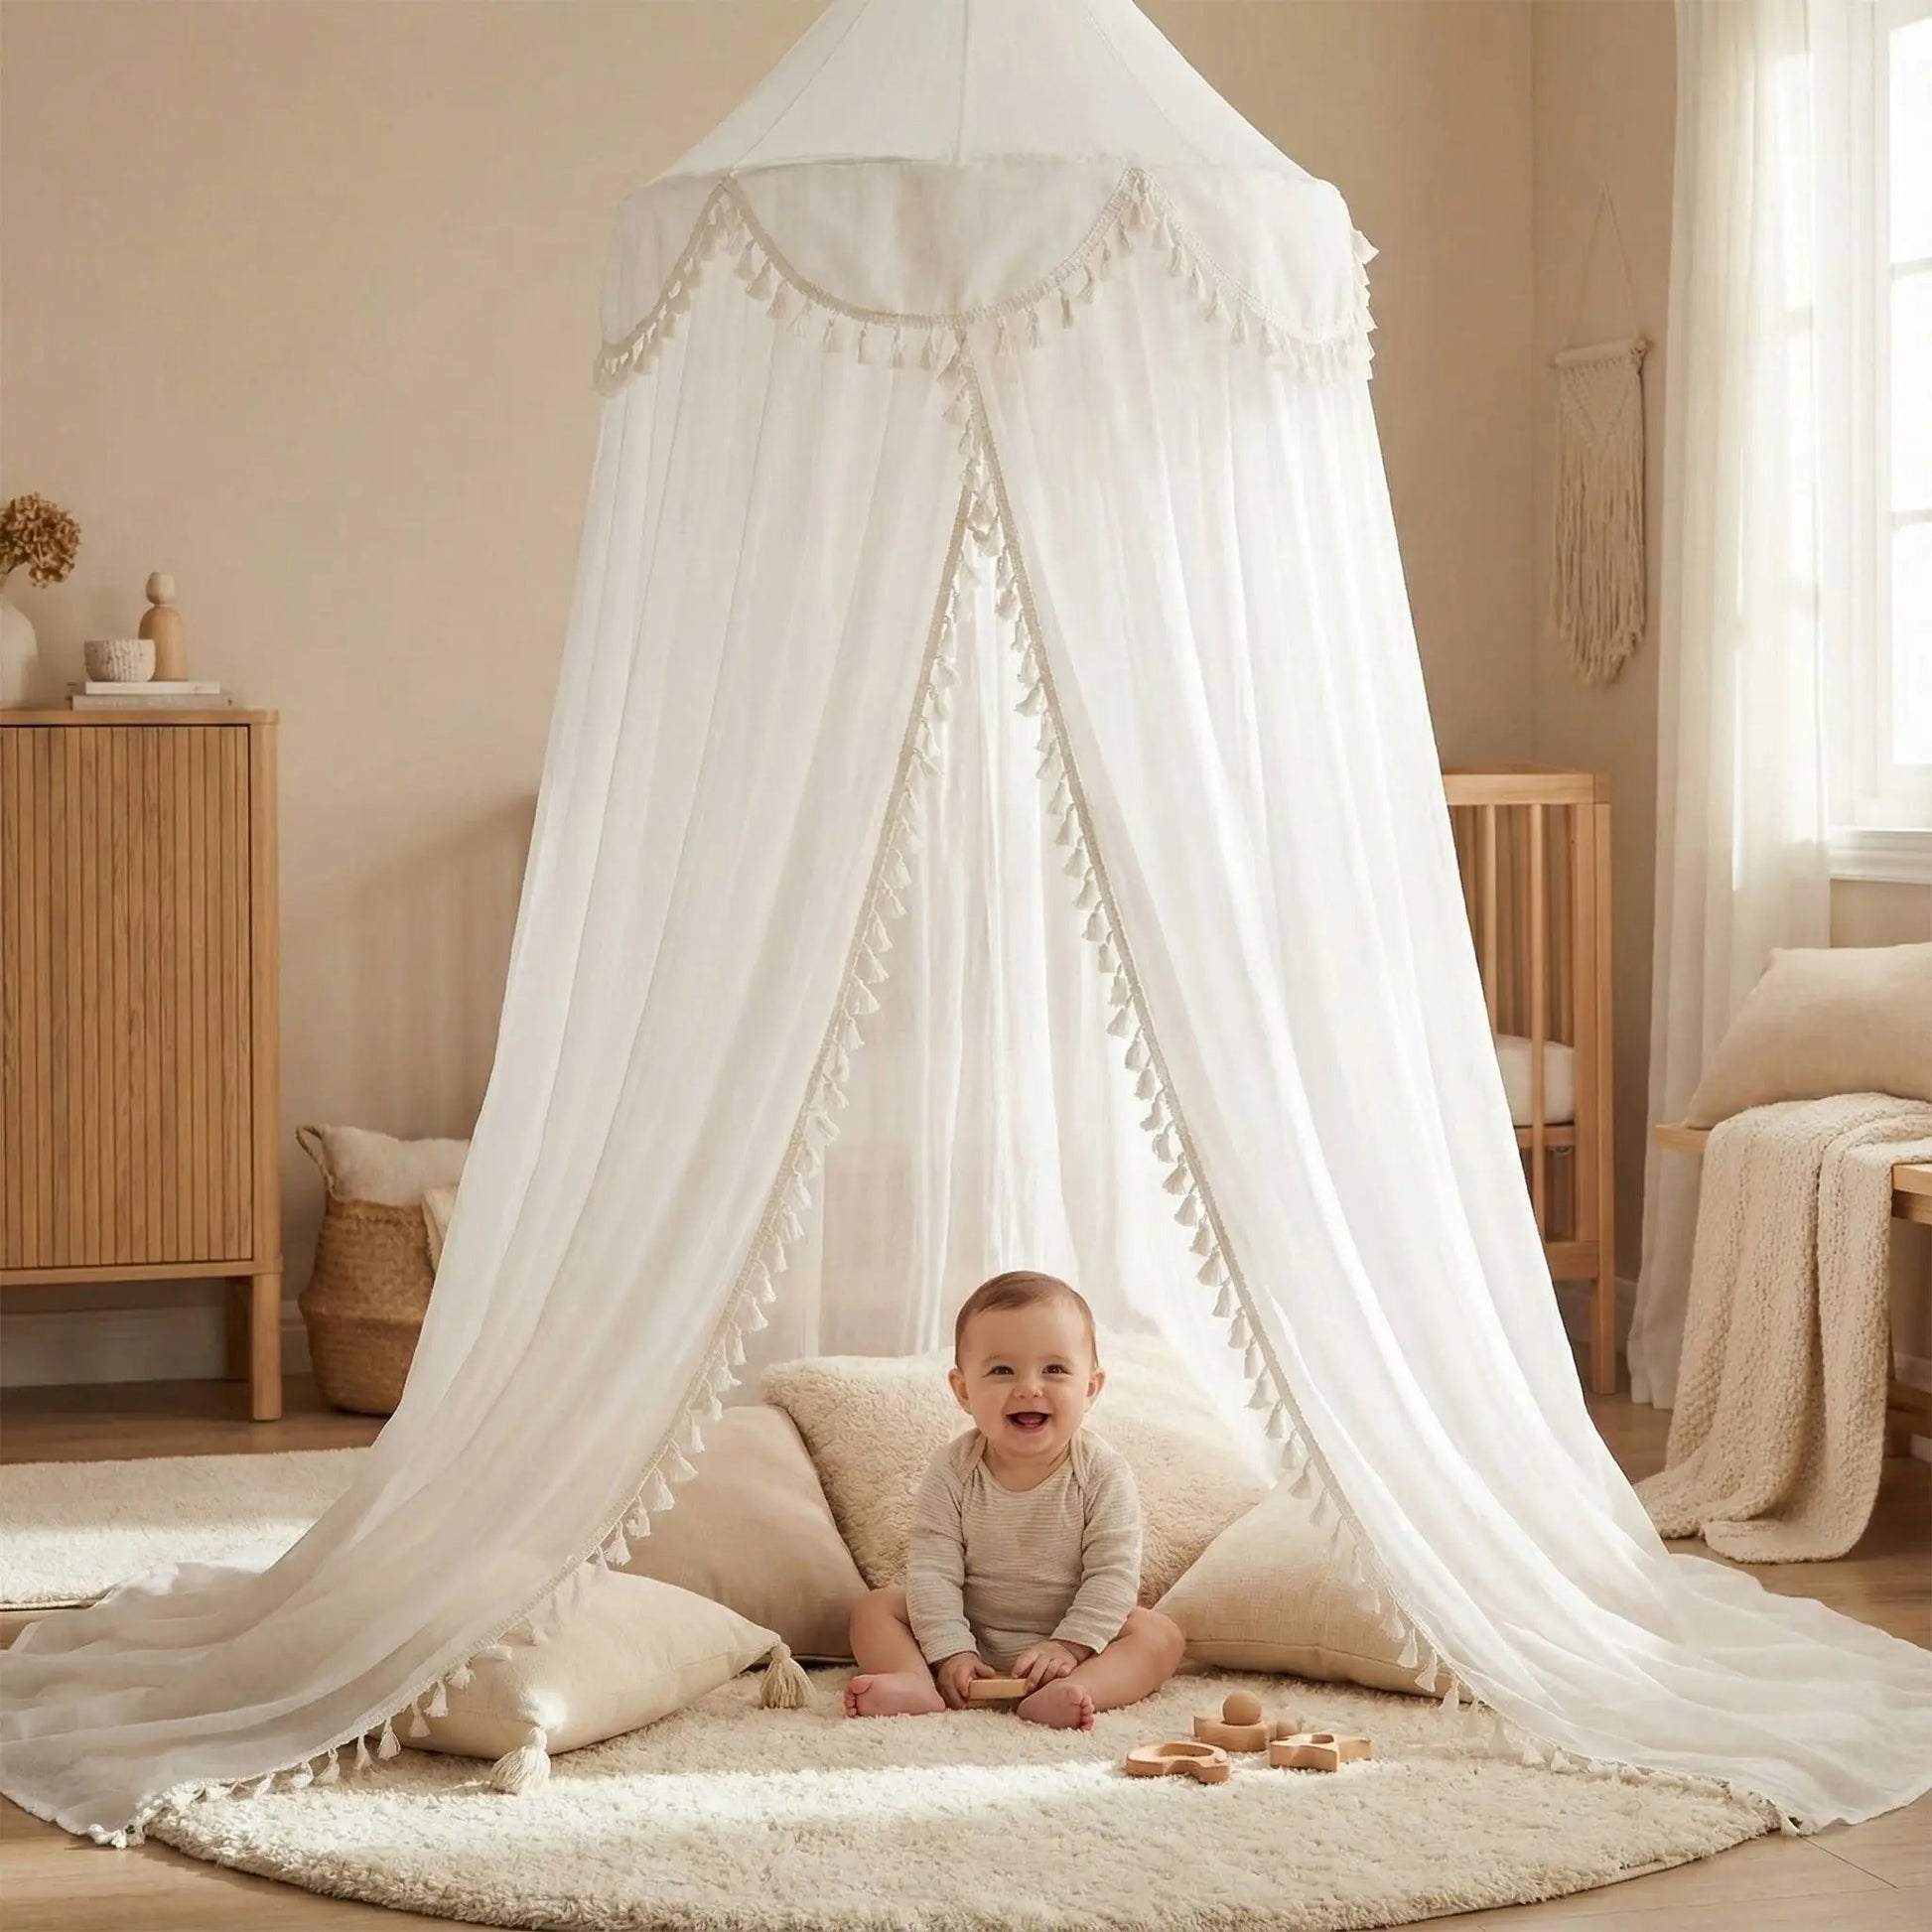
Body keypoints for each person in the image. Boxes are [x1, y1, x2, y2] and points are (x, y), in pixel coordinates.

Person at [843, 1269, 1184, 1729]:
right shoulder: (952, 1470)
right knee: (875, 1609)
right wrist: (950, 1651)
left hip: (1071, 1643)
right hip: (971, 1630)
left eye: (1055, 1369)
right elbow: (932, 1572)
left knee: (1159, 1634)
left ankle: (1080, 1689)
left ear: (1090, 1388)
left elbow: (1113, 1576)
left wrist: (1070, 1647)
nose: (1029, 1387)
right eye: (1002, 1370)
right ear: (964, 1390)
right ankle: (915, 1681)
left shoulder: (1102, 1472)